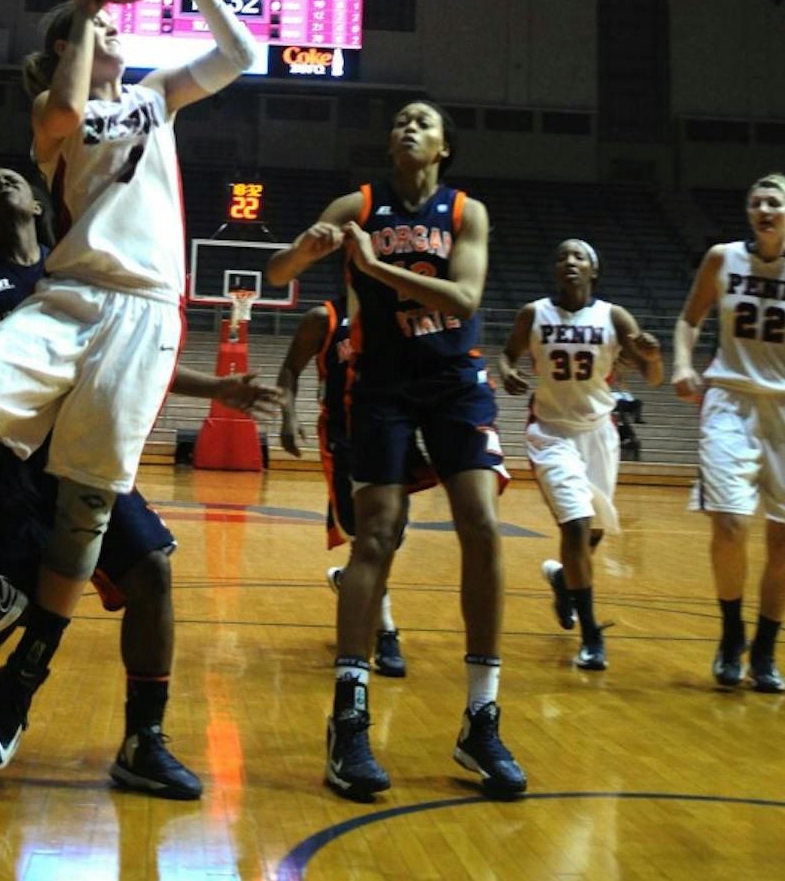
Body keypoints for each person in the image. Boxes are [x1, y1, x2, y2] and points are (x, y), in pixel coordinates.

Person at [0, 0, 258, 771]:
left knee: (87, 515)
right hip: (71, 299)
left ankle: (26, 683)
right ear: (73, 37)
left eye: (112, 20)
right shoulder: (52, 110)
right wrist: (79, 9)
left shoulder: (157, 98)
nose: (113, 26)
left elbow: (241, 54)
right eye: (98, 26)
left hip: (144, 313)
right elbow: (67, 106)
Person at [0, 168, 279, 794]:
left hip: (87, 456)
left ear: (40, 203)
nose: (0, 183)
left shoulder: (82, 271)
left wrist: (219, 385)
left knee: (152, 574)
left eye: (12, 178)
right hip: (15, 468)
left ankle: (139, 739)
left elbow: (132, 359)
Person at [267, 100, 525, 802]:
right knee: (375, 536)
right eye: (399, 122)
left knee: (482, 522)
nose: (406, 128)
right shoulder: (360, 204)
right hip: (378, 382)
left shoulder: (466, 212)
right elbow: (277, 274)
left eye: (423, 122)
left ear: (444, 147)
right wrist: (311, 248)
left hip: (452, 379)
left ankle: (481, 718)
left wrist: (376, 269)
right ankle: (348, 722)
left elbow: (465, 297)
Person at [499, 239, 663, 670]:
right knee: (575, 527)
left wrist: (653, 354)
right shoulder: (533, 314)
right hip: (550, 433)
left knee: (592, 534)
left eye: (579, 257)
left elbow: (654, 376)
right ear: (555, 270)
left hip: (599, 434)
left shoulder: (613, 316)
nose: (569, 261)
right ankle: (591, 636)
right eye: (561, 256)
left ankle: (562, 580)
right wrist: (508, 371)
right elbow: (507, 354)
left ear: (594, 270)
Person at [277, 295, 437, 679]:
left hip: (392, 435)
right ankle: (385, 631)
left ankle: (352, 583)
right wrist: (288, 416)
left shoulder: (402, 316)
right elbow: (289, 370)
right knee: (369, 538)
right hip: (344, 440)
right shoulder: (325, 320)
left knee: (390, 536)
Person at [672, 172, 785, 694]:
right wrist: (681, 364)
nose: (765, 209)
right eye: (757, 201)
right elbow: (689, 319)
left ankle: (764, 649)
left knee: (783, 541)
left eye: (775, 202)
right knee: (730, 525)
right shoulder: (722, 258)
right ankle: (730, 632)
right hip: (729, 401)